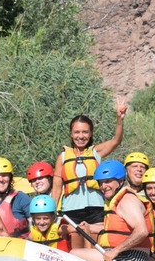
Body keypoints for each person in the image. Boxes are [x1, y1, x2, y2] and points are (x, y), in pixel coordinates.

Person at [52, 103, 127, 247]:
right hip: (71, 210)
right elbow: (56, 187)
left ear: (91, 133)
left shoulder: (95, 152)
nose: (81, 136)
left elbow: (116, 141)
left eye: (85, 132)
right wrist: (52, 211)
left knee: (95, 249)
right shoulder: (62, 157)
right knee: (76, 250)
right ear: (71, 134)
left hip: (96, 209)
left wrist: (120, 119)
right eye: (77, 132)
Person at [70, 160, 151, 261]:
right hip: (125, 255)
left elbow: (142, 231)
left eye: (108, 181)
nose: (103, 186)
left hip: (131, 259)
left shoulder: (127, 200)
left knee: (74, 254)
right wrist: (90, 227)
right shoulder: (117, 200)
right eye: (101, 183)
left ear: (120, 181)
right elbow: (116, 228)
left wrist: (115, 251)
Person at [0, 157, 31, 237]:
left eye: (4, 175)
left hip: (20, 243)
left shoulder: (21, 198)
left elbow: (37, 223)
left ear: (10, 178)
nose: (1, 179)